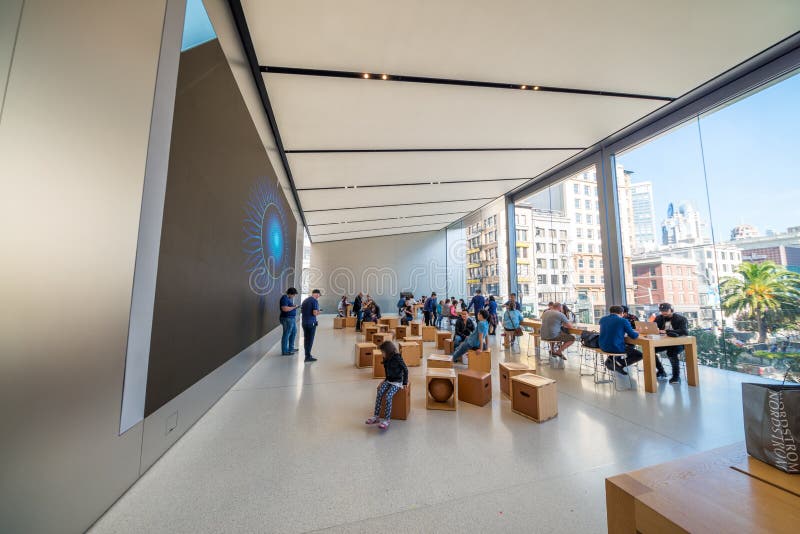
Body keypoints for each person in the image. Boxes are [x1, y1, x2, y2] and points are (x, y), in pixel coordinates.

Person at [365, 340, 409, 430]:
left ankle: (386, 420)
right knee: (380, 392)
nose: (382, 354)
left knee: (389, 396)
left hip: (397, 382)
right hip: (389, 380)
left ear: (388, 351)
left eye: (383, 352)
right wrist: (385, 380)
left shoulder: (397, 358)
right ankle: (376, 416)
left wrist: (404, 383)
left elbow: (405, 370)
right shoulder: (385, 358)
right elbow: (386, 370)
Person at [599, 305, 643, 375]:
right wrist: (638, 332)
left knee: (629, 347)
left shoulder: (602, 319)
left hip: (602, 346)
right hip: (615, 347)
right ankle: (619, 364)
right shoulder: (623, 320)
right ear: (622, 313)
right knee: (640, 355)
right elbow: (633, 336)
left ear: (610, 312)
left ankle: (612, 361)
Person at [654, 302, 689, 384]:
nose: (664, 312)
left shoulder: (681, 319)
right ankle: (661, 371)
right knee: (650, 350)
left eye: (666, 310)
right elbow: (654, 328)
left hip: (678, 343)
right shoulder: (659, 318)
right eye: (662, 311)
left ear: (671, 310)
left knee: (671, 353)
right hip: (663, 342)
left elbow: (684, 331)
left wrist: (667, 331)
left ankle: (676, 377)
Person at [300, 289, 321, 362]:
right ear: (316, 294)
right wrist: (319, 312)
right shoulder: (314, 301)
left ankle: (307, 355)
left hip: (304, 323)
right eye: (319, 295)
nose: (319, 297)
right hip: (311, 323)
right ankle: (308, 357)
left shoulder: (305, 300)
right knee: (310, 340)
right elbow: (315, 313)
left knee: (306, 339)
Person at [279, 287, 299, 356]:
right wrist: (294, 307)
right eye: (293, 295)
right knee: (286, 334)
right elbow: (284, 309)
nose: (294, 296)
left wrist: (294, 306)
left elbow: (288, 306)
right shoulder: (284, 298)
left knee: (293, 332)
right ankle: (284, 351)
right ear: (290, 293)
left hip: (291, 318)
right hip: (286, 319)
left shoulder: (288, 299)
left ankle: (291, 348)